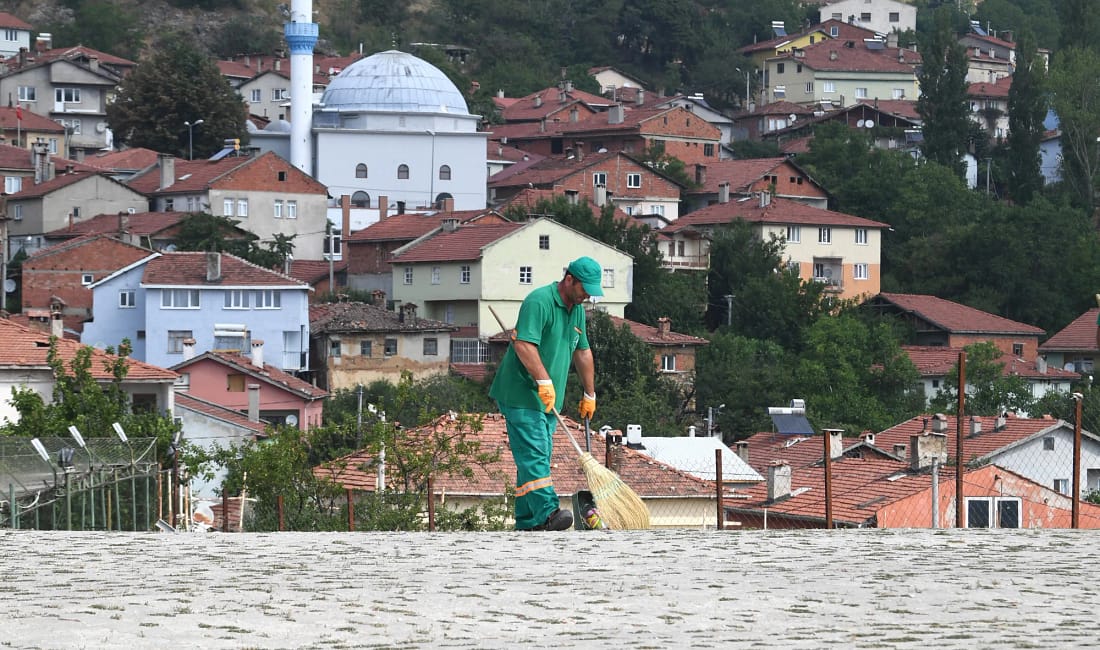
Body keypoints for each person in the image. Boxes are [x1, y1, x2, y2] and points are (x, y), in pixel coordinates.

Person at [489, 256, 602, 531]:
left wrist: (590, 394)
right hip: (521, 393)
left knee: (535, 457)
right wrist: (543, 380)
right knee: (536, 453)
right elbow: (524, 345)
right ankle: (548, 513)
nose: (587, 296)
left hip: (549, 400)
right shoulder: (539, 301)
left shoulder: (576, 311)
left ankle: (528, 522)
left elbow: (583, 351)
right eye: (584, 289)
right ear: (569, 279)